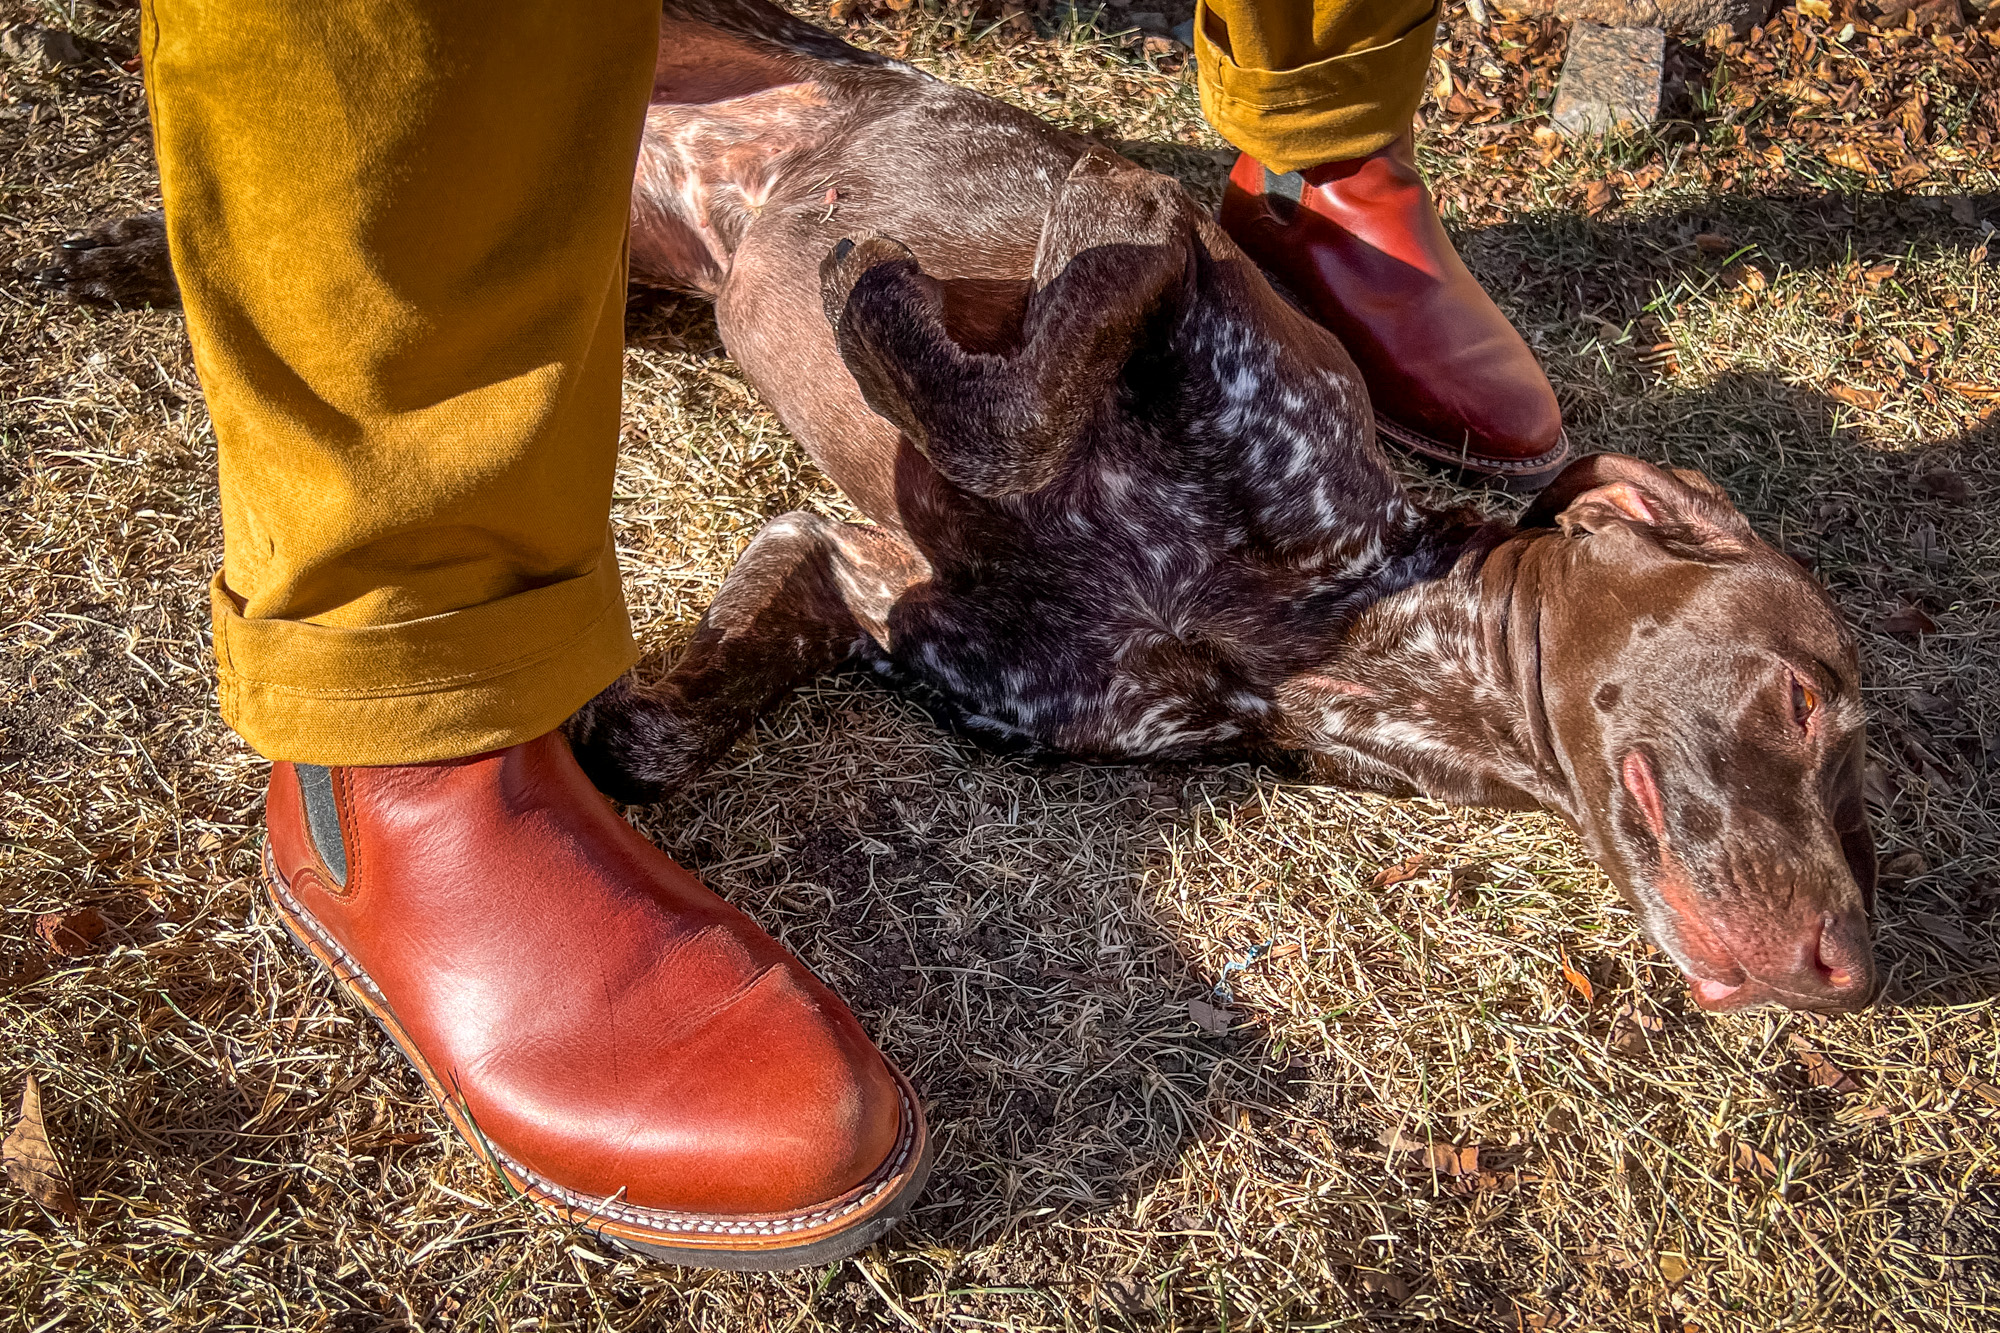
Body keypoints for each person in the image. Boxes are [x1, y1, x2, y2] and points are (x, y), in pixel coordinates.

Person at [139, 0, 1563, 1269]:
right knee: (439, 60)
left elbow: (829, 567)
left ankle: (1322, 149)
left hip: (783, 220)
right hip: (825, 191)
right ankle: (402, 683)